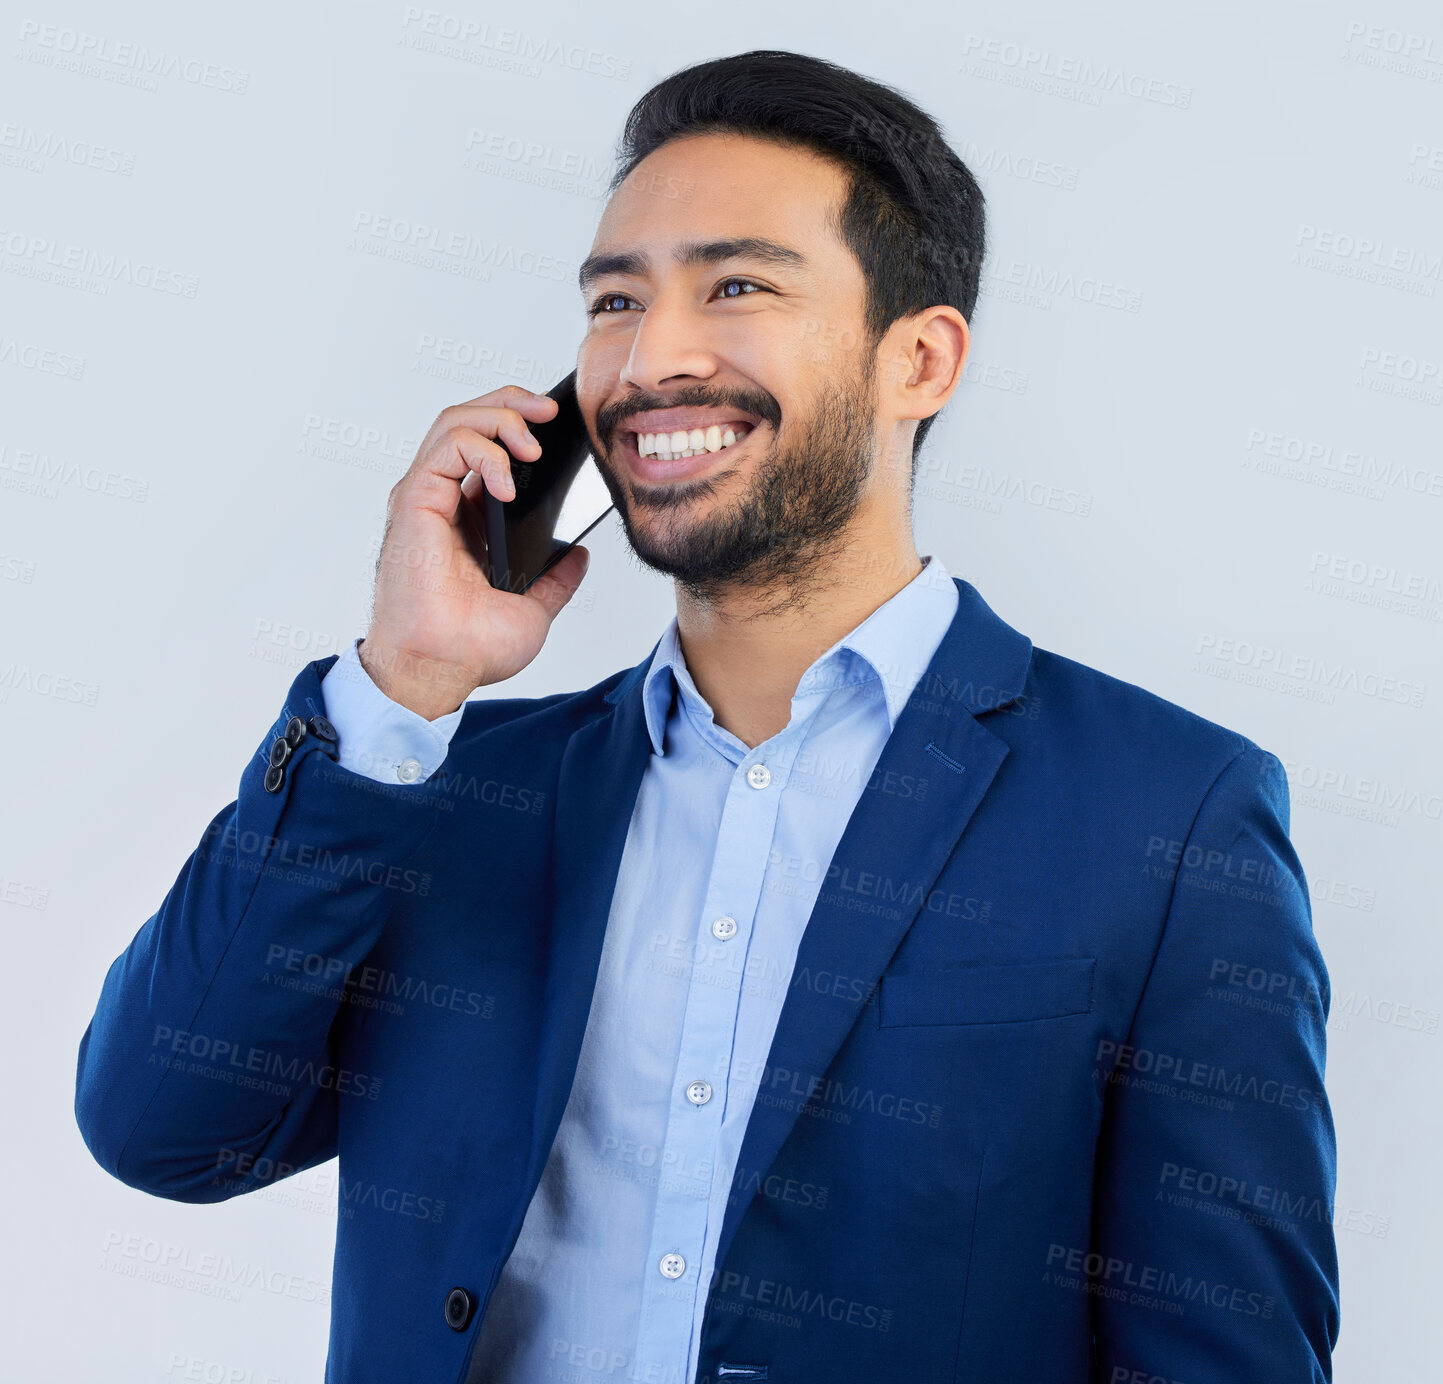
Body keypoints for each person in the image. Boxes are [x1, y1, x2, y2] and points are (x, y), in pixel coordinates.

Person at [75, 49, 1339, 1384]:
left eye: (734, 285)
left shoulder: (1170, 816)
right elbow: (165, 1128)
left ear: (919, 359)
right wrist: (401, 682)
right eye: (615, 301)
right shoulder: (442, 784)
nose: (649, 358)